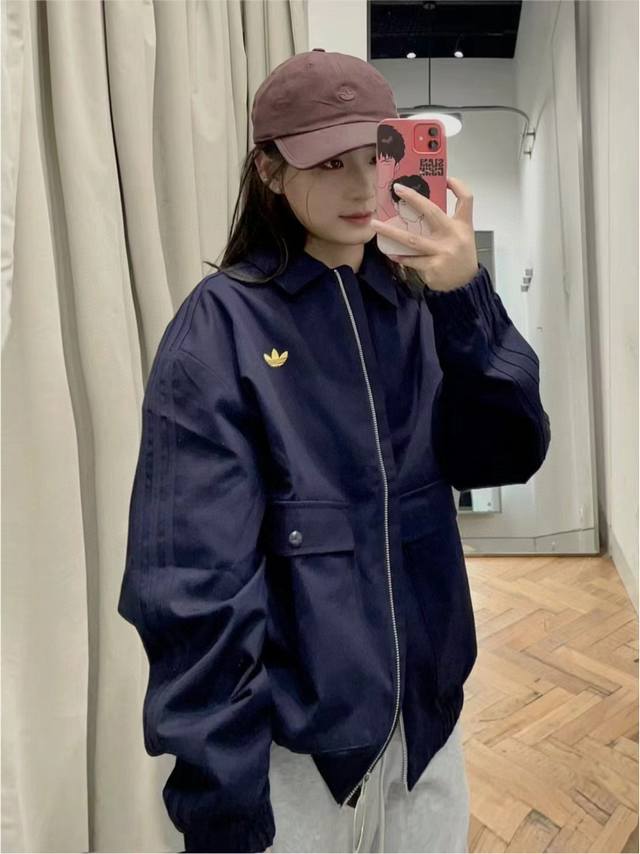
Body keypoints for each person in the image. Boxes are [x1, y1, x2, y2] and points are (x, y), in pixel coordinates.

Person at [117, 49, 551, 854]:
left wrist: (467, 299)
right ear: (270, 170)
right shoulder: (221, 329)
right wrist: (223, 802)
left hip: (425, 732)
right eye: (328, 163)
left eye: (375, 156)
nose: (359, 185)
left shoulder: (420, 304)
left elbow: (504, 455)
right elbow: (193, 583)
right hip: (292, 755)